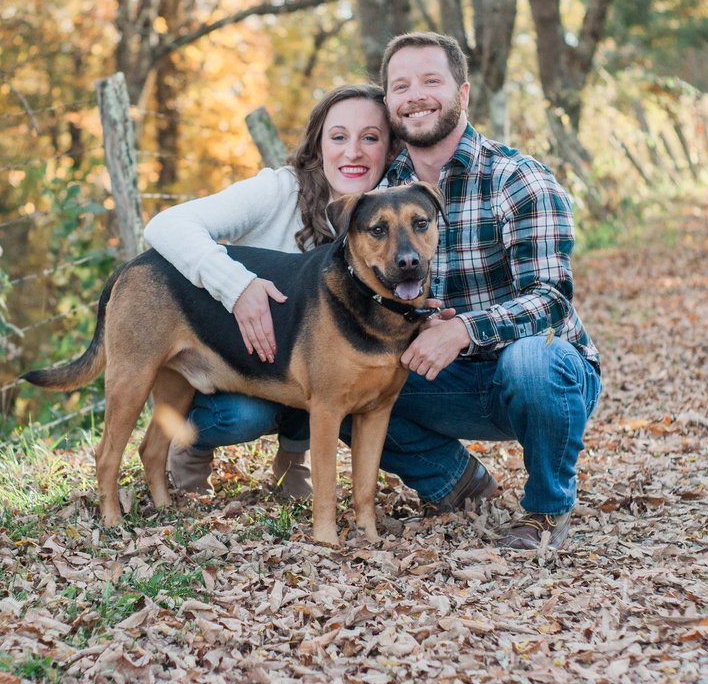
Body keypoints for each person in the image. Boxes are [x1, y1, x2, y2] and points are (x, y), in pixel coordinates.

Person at [357, 31, 602, 550]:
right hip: (442, 380)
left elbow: (550, 298)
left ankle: (545, 510)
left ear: (462, 93)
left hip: (542, 373)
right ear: (388, 103)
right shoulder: (379, 195)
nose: (415, 94)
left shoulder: (519, 179)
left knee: (531, 362)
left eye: (431, 80)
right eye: (401, 85)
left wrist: (465, 330)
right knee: (346, 381)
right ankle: (457, 482)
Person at [143, 83, 393, 499]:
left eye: (370, 137)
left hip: (300, 366)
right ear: (318, 145)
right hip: (227, 358)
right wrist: (237, 286)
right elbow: (164, 225)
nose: (354, 151)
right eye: (338, 137)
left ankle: (293, 456)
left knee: (333, 352)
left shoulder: (393, 209)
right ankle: (190, 446)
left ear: (389, 148)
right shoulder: (277, 191)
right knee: (241, 416)